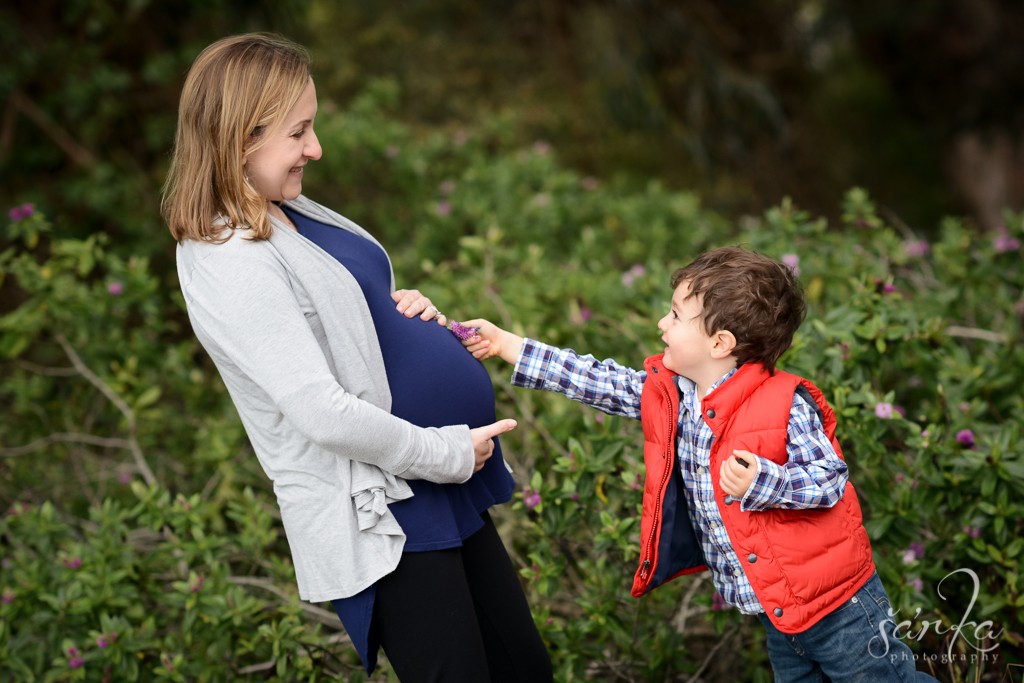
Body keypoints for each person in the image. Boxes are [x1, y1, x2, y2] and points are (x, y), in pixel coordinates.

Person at [161, 32, 551, 682]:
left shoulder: (283, 206)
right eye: (299, 132)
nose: (314, 148)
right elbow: (320, 409)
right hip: (384, 505)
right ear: (239, 138)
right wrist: (447, 453)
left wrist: (399, 309)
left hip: (436, 484)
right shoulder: (222, 256)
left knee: (525, 669)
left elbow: (341, 312)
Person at [460, 246, 938, 681]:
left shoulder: (783, 403)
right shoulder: (675, 396)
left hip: (839, 607)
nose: (661, 325)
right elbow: (598, 380)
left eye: (675, 315)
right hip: (778, 610)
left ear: (720, 343)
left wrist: (764, 482)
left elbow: (829, 478)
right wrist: (509, 345)